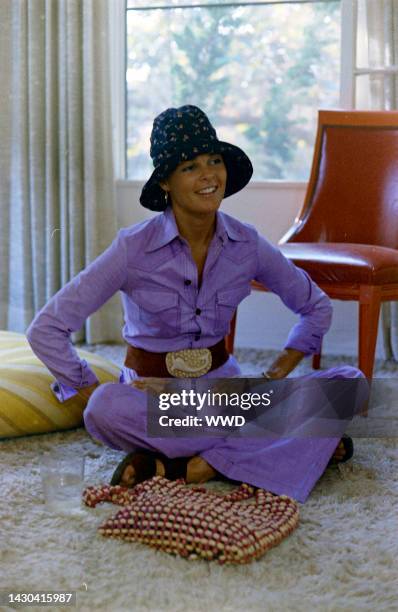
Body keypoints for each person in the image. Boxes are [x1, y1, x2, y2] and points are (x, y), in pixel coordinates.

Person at [26, 105, 366, 503]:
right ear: (166, 183)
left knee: (350, 384)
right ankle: (284, 445)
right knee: (104, 408)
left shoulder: (247, 243)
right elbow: (46, 329)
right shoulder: (132, 248)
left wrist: (273, 377)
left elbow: (316, 306)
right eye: (189, 166)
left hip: (225, 396)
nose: (208, 175)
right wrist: (92, 386)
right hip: (151, 401)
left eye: (214, 161)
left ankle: (191, 466)